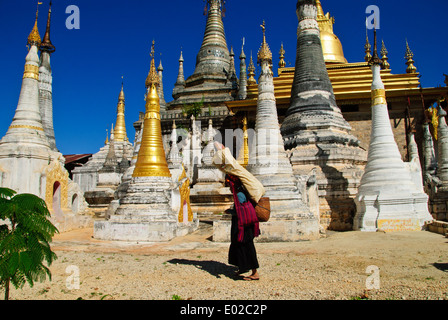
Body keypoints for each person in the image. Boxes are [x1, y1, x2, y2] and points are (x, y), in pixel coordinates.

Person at [225, 174, 260, 281]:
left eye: (230, 186)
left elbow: (240, 210)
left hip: (244, 226)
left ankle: (255, 273)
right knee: (237, 246)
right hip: (242, 225)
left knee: (247, 247)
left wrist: (230, 211)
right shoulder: (240, 193)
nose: (230, 188)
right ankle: (242, 267)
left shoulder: (240, 195)